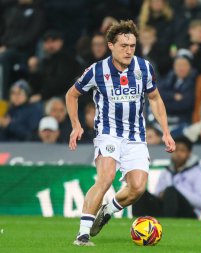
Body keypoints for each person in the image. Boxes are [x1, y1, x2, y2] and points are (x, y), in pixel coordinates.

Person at [65, 20, 176, 247]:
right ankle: (83, 234)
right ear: (111, 46)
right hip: (108, 133)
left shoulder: (144, 68)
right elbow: (71, 95)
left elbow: (155, 99)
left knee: (137, 188)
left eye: (132, 46)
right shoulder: (97, 70)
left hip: (136, 136)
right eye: (123, 45)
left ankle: (107, 211)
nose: (128, 50)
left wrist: (166, 131)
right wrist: (76, 125)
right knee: (105, 178)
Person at [132, 136, 201, 218]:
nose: (178, 153)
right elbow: (158, 193)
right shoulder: (166, 171)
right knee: (140, 192)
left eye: (182, 150)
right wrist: (162, 194)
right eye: (176, 150)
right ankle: (137, 224)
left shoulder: (197, 173)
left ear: (189, 153)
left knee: (171, 191)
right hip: (165, 209)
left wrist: (176, 191)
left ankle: (169, 224)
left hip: (188, 212)